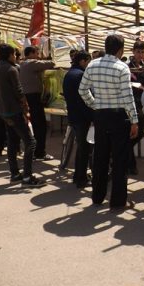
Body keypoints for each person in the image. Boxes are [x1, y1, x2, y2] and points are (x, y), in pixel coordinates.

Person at [79, 34, 138, 211]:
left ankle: (97, 196)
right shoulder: (122, 67)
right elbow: (128, 97)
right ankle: (118, 201)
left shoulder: (92, 64)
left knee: (100, 157)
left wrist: (95, 104)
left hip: (101, 116)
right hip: (119, 117)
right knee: (120, 160)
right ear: (121, 50)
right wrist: (134, 120)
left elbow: (82, 90)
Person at [0, 44, 45, 187]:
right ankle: (27, 177)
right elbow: (19, 91)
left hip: (4, 111)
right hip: (14, 111)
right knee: (31, 142)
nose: (16, 57)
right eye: (14, 54)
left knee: (13, 141)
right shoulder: (11, 69)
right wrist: (26, 109)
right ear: (10, 55)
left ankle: (15, 174)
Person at [63, 51, 93, 189]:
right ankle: (81, 179)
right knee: (84, 149)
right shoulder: (80, 75)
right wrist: (92, 116)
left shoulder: (69, 73)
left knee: (81, 147)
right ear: (82, 61)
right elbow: (83, 100)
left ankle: (78, 176)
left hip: (73, 116)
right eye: (88, 61)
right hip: (81, 117)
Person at [19, 46, 55, 160]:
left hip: (27, 97)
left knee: (34, 125)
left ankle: (34, 151)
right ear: (31, 53)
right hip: (34, 98)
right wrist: (44, 59)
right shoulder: (31, 63)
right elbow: (52, 63)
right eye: (37, 53)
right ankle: (40, 152)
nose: (38, 56)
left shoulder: (22, 64)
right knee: (40, 126)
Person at [127, 40, 144, 175]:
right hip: (131, 102)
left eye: (142, 52)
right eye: (138, 52)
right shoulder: (127, 67)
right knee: (134, 133)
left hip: (143, 103)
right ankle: (131, 164)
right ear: (133, 51)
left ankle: (126, 157)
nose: (140, 54)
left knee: (139, 134)